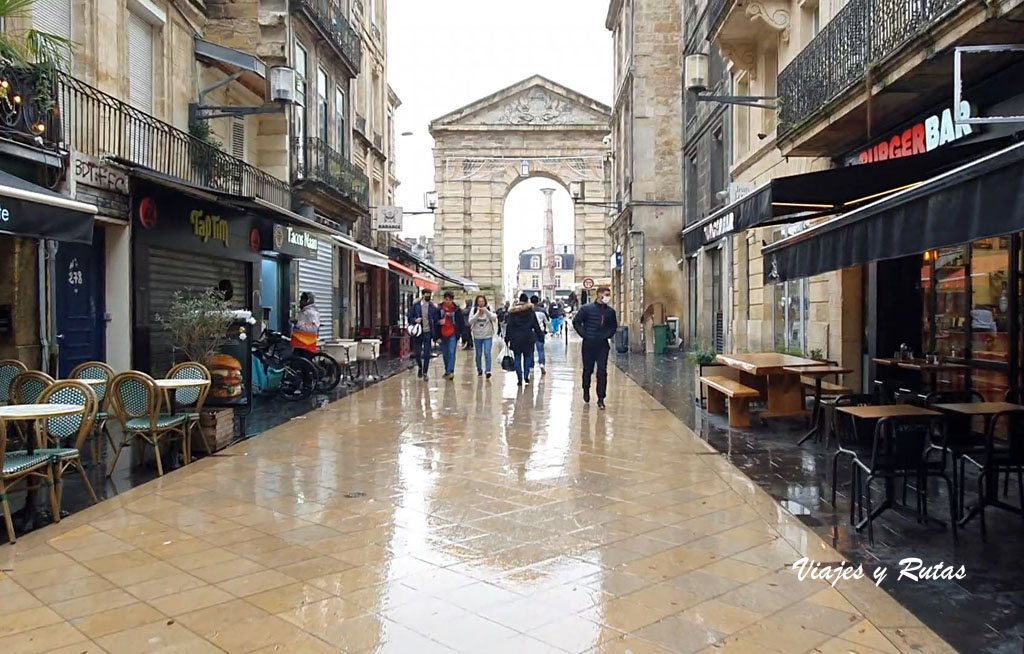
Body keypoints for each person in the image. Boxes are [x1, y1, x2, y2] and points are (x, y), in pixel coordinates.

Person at [572, 286, 618, 409]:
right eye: (605, 294)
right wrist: (584, 334)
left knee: (602, 371)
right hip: (588, 344)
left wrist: (607, 335)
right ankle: (586, 389)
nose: (607, 297)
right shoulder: (586, 309)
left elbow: (613, 326)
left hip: (602, 345)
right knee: (588, 370)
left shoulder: (610, 312)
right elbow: (576, 322)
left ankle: (601, 398)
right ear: (598, 294)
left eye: (609, 294)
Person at [505, 293, 544, 386]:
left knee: (517, 358)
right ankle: (526, 375)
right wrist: (540, 336)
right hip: (528, 336)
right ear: (527, 301)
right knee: (528, 357)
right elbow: (536, 325)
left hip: (516, 338)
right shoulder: (530, 311)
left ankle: (519, 378)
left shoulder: (513, 312)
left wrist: (507, 338)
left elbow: (509, 326)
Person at [409, 288, 440, 380]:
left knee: (427, 353)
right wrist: (415, 320)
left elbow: (435, 320)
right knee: (417, 353)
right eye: (427, 294)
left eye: (429, 294)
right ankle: (420, 366)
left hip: (428, 332)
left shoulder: (432, 307)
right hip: (418, 332)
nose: (428, 296)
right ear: (422, 295)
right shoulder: (416, 306)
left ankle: (425, 372)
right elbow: (409, 318)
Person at [437, 291, 465, 380]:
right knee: (445, 354)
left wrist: (461, 335)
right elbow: (434, 323)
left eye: (449, 300)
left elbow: (461, 323)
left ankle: (450, 371)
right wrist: (436, 336)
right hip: (442, 334)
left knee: (452, 352)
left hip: (453, 333)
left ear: (452, 300)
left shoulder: (457, 310)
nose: (448, 301)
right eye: (446, 299)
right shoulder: (439, 310)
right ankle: (447, 369)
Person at [469, 295, 497, 378]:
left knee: (487, 352)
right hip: (477, 335)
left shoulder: (489, 308)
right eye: (479, 301)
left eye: (482, 301)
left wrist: (486, 311)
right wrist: (478, 313)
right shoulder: (473, 310)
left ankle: (488, 370)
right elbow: (470, 321)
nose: (481, 303)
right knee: (478, 354)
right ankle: (479, 369)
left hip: (488, 335)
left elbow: (494, 318)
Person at [531, 294, 549, 376]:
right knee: (540, 350)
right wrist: (549, 330)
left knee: (530, 350)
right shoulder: (542, 311)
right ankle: (542, 364)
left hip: (530, 332)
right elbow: (547, 322)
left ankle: (531, 366)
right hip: (540, 332)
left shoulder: (528, 310)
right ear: (538, 301)